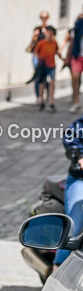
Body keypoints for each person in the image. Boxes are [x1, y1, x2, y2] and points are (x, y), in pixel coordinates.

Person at [59, 115, 83, 271]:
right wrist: (80, 156)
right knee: (74, 227)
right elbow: (71, 134)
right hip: (80, 179)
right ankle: (56, 271)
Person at [35, 25, 62, 112]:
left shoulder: (54, 42)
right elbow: (36, 52)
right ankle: (42, 100)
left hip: (51, 65)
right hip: (43, 65)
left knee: (52, 83)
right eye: (48, 32)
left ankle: (51, 102)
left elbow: (57, 51)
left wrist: (63, 58)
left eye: (51, 32)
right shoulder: (41, 43)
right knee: (42, 84)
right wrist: (39, 60)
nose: (49, 34)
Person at [28, 11, 52, 103]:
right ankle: (38, 96)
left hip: (46, 56)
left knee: (46, 76)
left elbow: (52, 42)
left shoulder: (50, 29)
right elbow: (32, 44)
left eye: (45, 17)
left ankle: (46, 94)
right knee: (37, 75)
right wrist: (35, 36)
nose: (44, 19)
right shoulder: (37, 29)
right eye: (42, 17)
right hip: (37, 55)